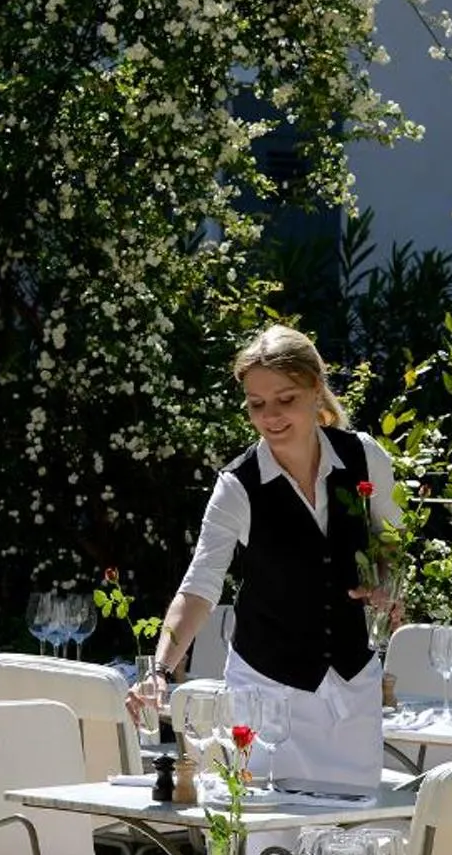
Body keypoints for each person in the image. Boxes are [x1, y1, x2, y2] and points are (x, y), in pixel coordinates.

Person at [138, 324, 400, 791]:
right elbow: (199, 588)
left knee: (352, 825)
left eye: (285, 400)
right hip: (265, 694)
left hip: (352, 688)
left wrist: (386, 583)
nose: (271, 417)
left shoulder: (364, 457)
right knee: (265, 830)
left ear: (316, 389)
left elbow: (391, 542)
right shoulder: (237, 486)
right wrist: (159, 670)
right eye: (257, 404)